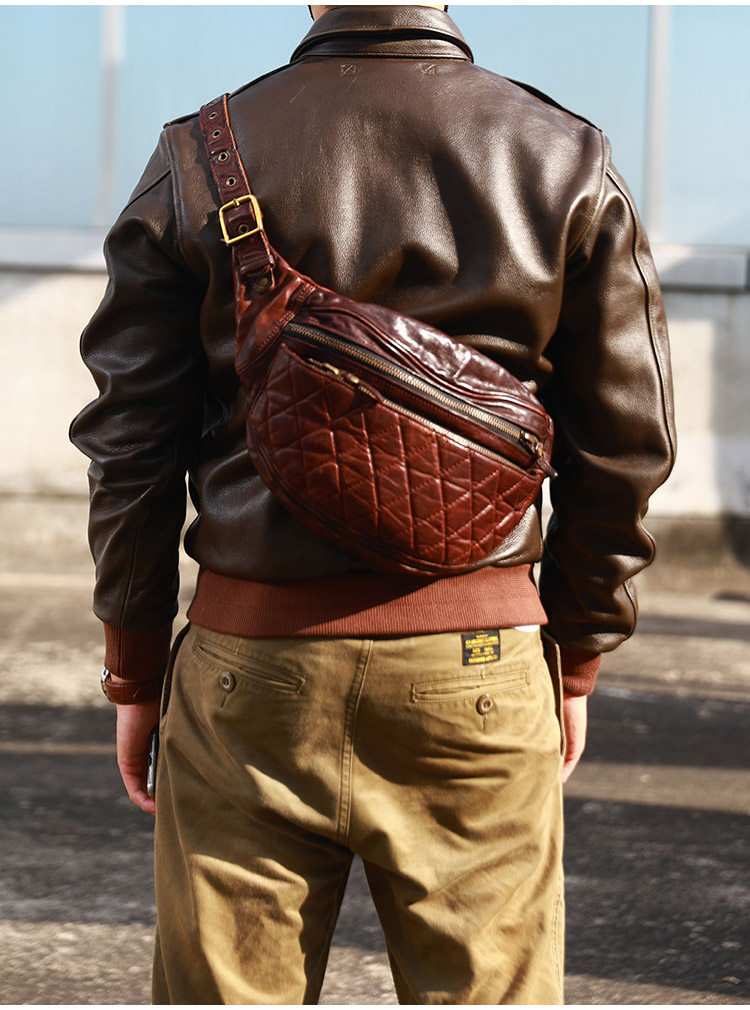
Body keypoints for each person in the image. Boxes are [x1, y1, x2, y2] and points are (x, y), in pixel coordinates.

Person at [70, 4, 675, 1004]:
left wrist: (134, 668)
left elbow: (131, 443)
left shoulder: (199, 154)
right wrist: (577, 651)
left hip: (249, 669)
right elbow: (628, 443)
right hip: (479, 668)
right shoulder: (566, 155)